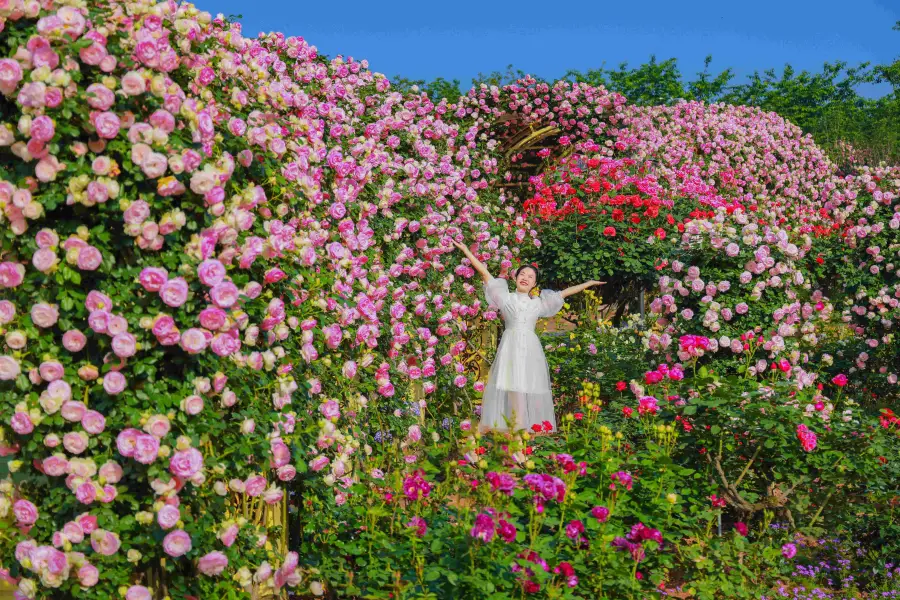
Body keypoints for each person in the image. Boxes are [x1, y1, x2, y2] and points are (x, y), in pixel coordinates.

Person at [452, 239, 603, 434]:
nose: (525, 277)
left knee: (524, 395)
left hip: (530, 353)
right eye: (522, 274)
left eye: (530, 276)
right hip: (510, 350)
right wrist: (466, 250)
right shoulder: (505, 297)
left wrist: (588, 283)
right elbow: (485, 273)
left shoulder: (537, 304)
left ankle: (513, 446)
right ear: (515, 277)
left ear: (535, 283)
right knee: (513, 398)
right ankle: (502, 445)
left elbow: (564, 293)